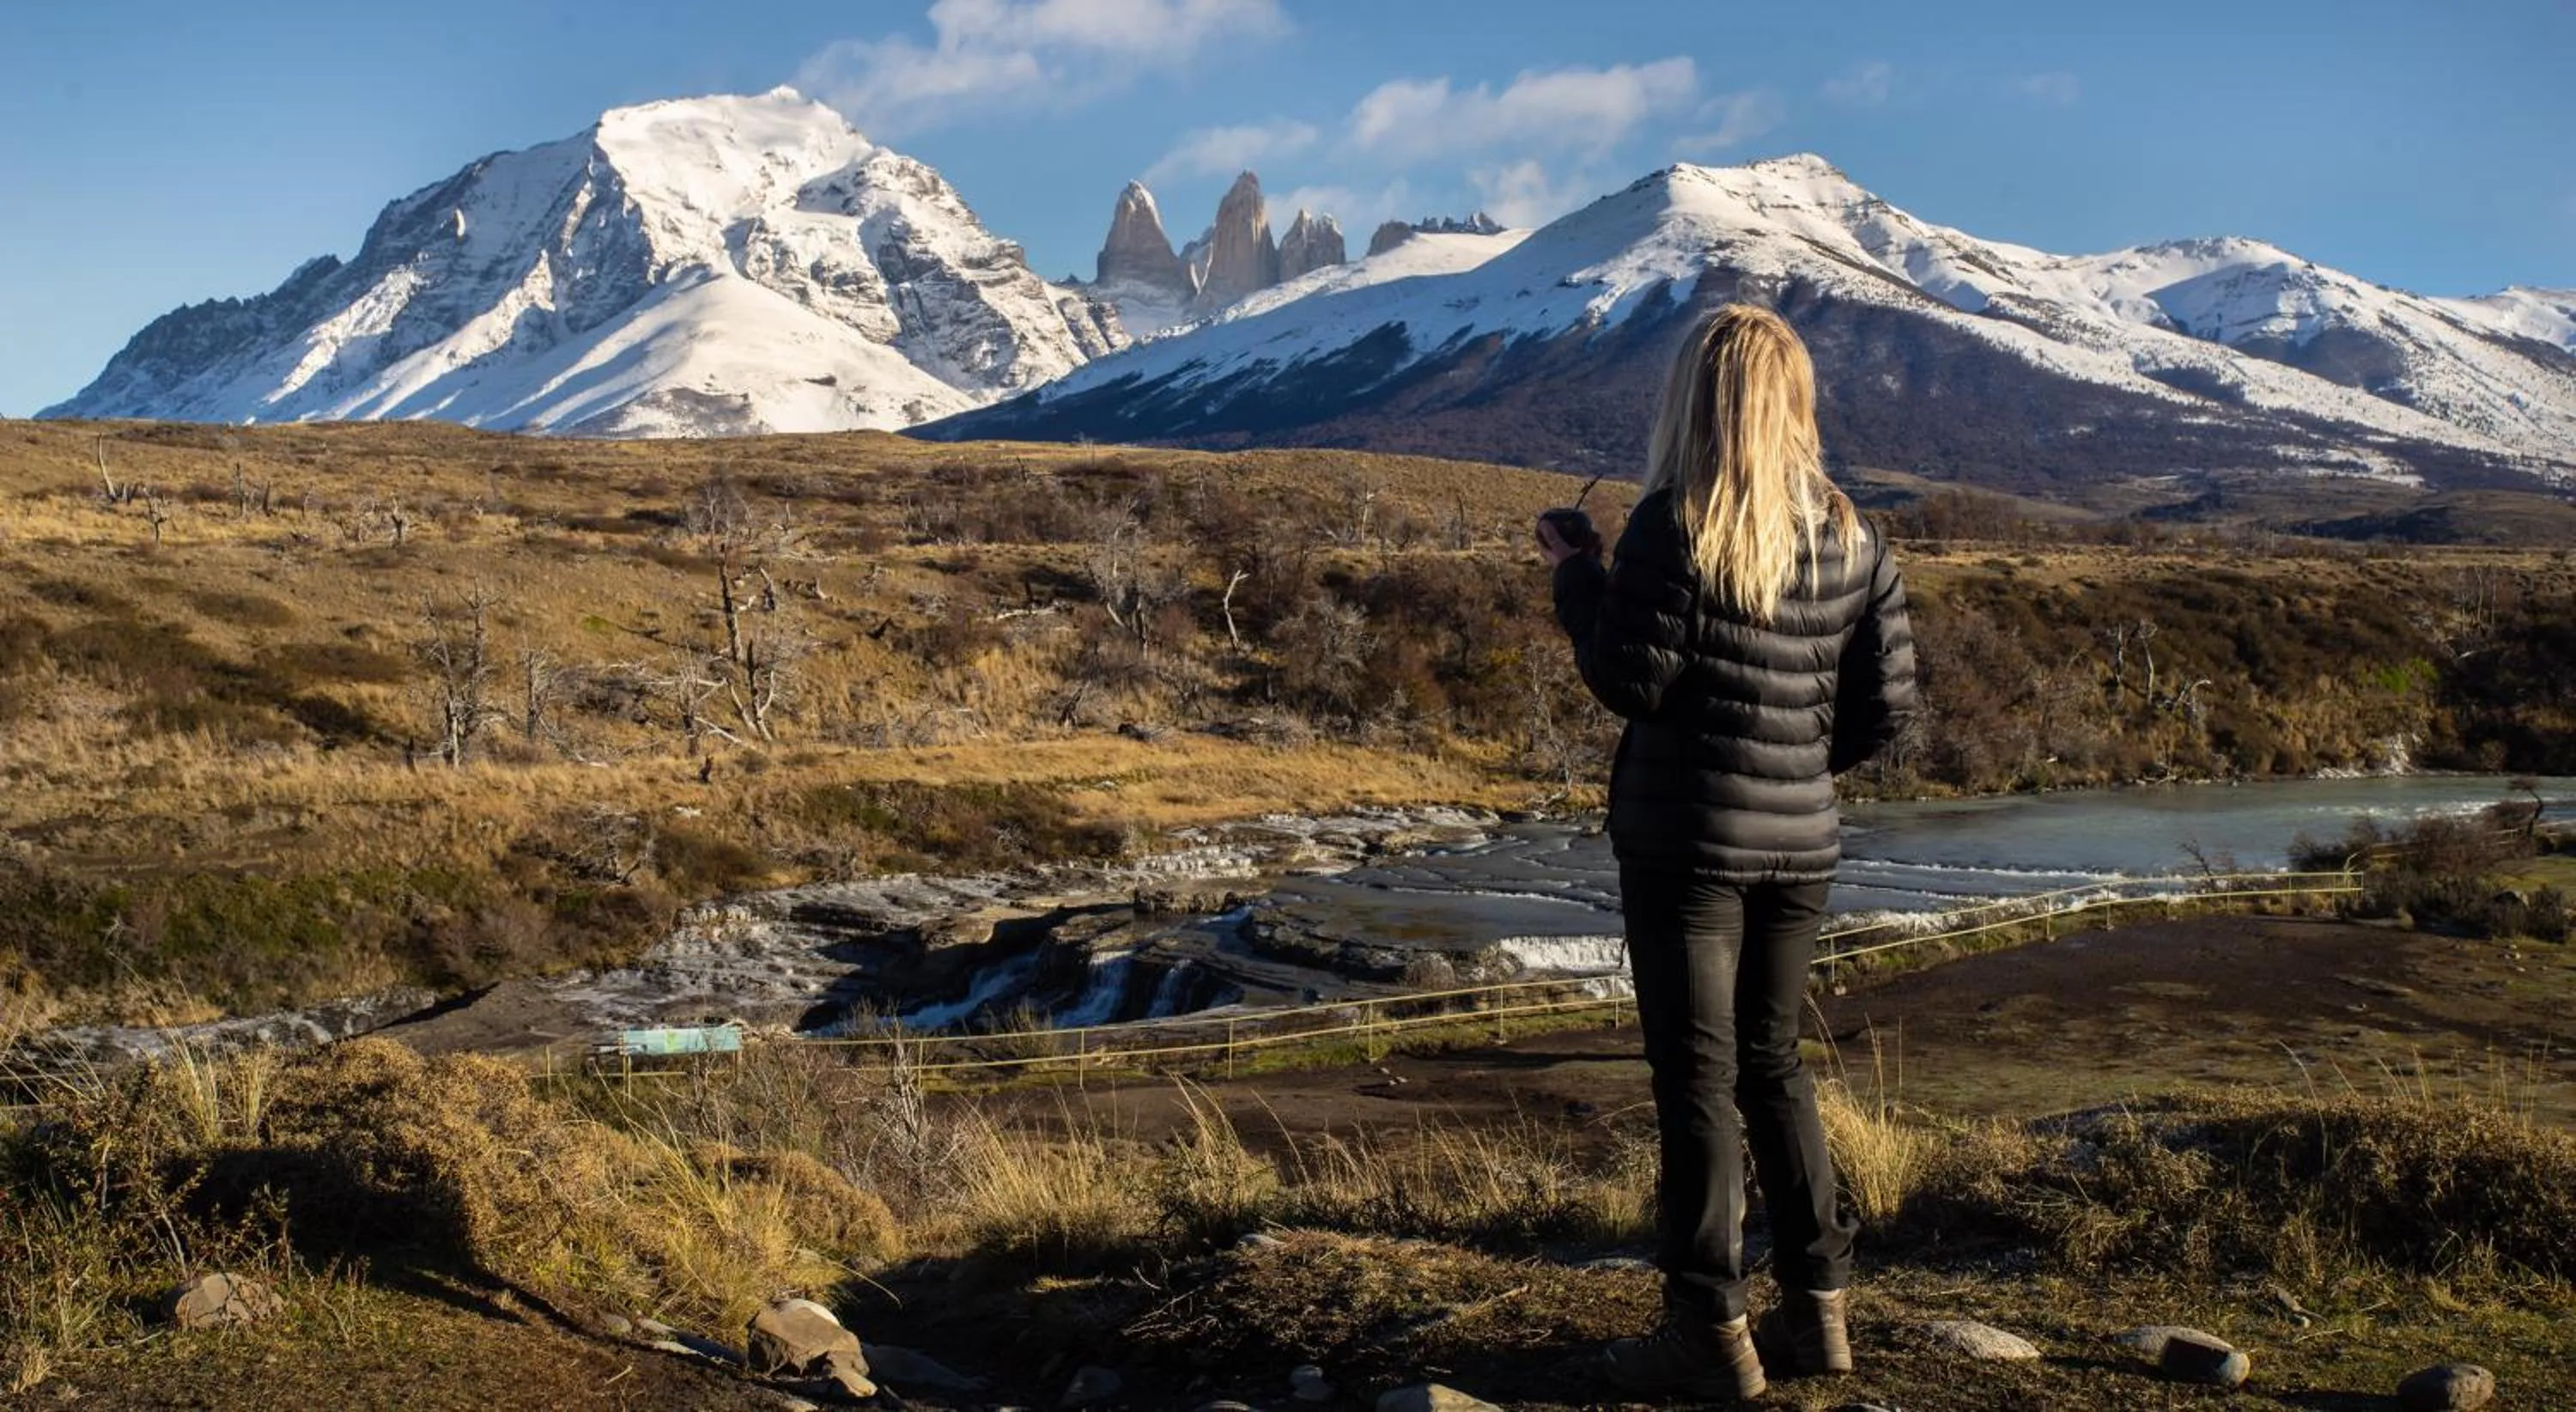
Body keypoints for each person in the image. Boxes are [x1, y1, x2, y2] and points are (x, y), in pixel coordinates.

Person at [1536, 302, 1917, 1401]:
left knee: (1696, 1082)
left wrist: (1577, 578)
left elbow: (1629, 681)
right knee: (1774, 1067)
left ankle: (1707, 1330)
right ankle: (1821, 1316)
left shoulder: (1674, 525)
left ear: (1693, 400)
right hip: (1802, 845)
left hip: (1685, 848)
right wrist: (1793, 768)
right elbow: (1884, 710)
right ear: (1794, 398)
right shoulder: (1857, 535)